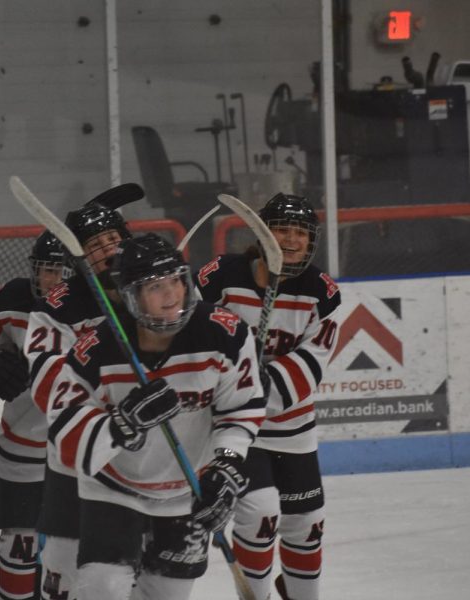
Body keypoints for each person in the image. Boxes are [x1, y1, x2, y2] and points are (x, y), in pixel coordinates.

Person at [38, 233, 265, 599]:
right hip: (114, 488)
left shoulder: (224, 333)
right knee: (103, 588)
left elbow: (242, 409)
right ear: (131, 296)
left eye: (176, 280)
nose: (172, 295)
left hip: (187, 491)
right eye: (156, 286)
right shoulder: (94, 350)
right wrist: (120, 425)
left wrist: (226, 466)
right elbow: (64, 434)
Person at [198, 193, 342, 600]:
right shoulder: (218, 277)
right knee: (260, 515)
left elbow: (310, 366)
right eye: (282, 229)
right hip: (235, 429)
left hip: (293, 429)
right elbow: (191, 340)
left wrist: (254, 384)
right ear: (261, 232)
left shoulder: (321, 292)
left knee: (307, 523)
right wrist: (235, 384)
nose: (291, 240)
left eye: (300, 232)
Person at [24, 185, 140, 600]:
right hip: (76, 456)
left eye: (113, 238)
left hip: (141, 458)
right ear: (79, 256)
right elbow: (46, 383)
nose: (109, 248)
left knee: (129, 573)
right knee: (61, 568)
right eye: (96, 244)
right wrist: (108, 414)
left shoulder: (154, 292)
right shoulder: (57, 307)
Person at [0, 230, 73, 600]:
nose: (50, 280)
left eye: (60, 271)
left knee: (71, 553)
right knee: (18, 549)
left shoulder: (93, 306)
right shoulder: (7, 302)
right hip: (22, 446)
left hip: (81, 453)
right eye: (44, 270)